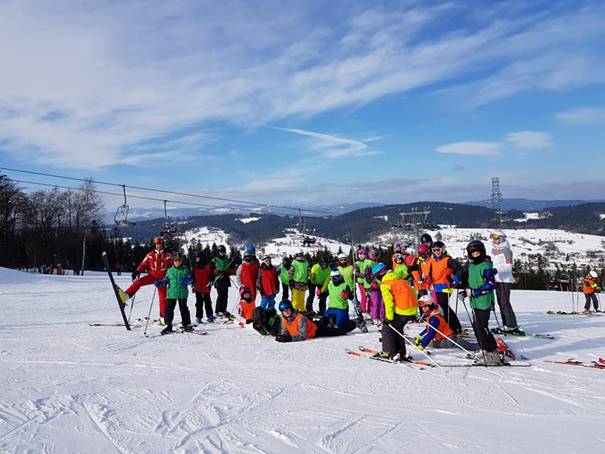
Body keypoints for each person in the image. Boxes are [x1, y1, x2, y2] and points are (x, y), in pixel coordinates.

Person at [461, 240, 503, 365]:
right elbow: (470, 282)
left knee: (482, 327)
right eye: (472, 254)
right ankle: (484, 348)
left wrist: (474, 293)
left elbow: (490, 284)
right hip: (475, 302)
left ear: (482, 252)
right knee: (476, 327)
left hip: (484, 301)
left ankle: (492, 353)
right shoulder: (471, 266)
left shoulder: (486, 266)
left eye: (477, 253)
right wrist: (465, 291)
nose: (475, 255)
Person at [120, 237, 173, 324]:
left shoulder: (168, 255)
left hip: (163, 279)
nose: (158, 246)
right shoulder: (150, 255)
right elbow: (143, 264)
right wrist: (137, 271)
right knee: (138, 282)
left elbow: (172, 266)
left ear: (163, 245)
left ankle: (163, 318)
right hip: (152, 276)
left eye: (160, 244)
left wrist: (171, 276)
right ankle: (126, 296)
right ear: (155, 245)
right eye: (157, 245)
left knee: (163, 298)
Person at [375, 262, 418, 361]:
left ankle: (389, 352)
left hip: (401, 310)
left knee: (387, 328)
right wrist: (414, 312)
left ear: (380, 274)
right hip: (411, 308)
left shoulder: (385, 284)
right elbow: (413, 292)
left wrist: (388, 317)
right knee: (397, 328)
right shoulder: (400, 280)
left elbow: (388, 302)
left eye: (376, 277)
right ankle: (400, 352)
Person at [421, 240, 462, 334]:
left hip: (445, 287)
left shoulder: (447, 260)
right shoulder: (431, 261)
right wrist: (423, 278)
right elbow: (427, 272)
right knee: (440, 308)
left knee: (443, 307)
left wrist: (456, 279)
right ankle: (447, 327)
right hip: (435, 287)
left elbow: (458, 268)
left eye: (438, 250)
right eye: (434, 250)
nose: (436, 252)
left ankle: (455, 328)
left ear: (443, 250)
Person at [490, 231, 523, 334]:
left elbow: (508, 267)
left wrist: (496, 270)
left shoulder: (507, 251)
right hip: (497, 279)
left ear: (502, 238)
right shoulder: (494, 250)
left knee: (505, 303)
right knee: (501, 303)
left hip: (505, 280)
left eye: (496, 238)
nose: (494, 240)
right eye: (492, 238)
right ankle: (506, 325)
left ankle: (512, 325)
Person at [275, 300, 355, 342]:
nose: (286, 312)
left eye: (287, 309)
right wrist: (282, 336)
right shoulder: (284, 319)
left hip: (315, 331)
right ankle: (327, 319)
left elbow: (302, 336)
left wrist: (289, 339)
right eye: (283, 310)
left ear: (291, 308)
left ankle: (352, 324)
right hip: (311, 325)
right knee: (320, 323)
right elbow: (284, 331)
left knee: (335, 332)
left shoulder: (300, 318)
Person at [156, 253, 193, 335]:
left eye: (179, 260)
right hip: (171, 293)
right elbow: (166, 280)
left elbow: (191, 280)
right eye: (175, 260)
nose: (177, 262)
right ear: (173, 261)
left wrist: (185, 281)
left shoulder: (185, 270)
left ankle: (186, 324)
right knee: (168, 310)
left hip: (182, 293)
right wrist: (160, 282)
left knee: (184, 309)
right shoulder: (169, 271)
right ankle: (168, 325)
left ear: (181, 261)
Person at [212, 245, 235, 317]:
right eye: (221, 252)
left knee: (225, 295)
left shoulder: (227, 259)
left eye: (223, 252)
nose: (222, 253)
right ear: (218, 252)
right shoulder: (215, 260)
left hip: (225, 279)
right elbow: (212, 269)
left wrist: (228, 272)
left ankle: (223, 310)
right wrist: (218, 272)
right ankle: (217, 310)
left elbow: (231, 269)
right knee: (220, 295)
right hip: (219, 279)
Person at [192, 251, 214, 324]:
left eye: (197, 258)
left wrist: (211, 281)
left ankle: (210, 316)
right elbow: (193, 276)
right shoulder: (195, 266)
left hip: (206, 287)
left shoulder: (208, 265)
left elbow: (212, 275)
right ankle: (198, 317)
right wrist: (192, 283)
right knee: (199, 303)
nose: (196, 259)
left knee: (207, 302)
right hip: (198, 287)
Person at [354, 247, 375, 314]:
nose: (361, 256)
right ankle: (363, 310)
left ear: (366, 255)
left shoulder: (368, 262)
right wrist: (362, 275)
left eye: (363, 254)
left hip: (368, 282)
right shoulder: (357, 263)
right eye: (359, 254)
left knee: (370, 296)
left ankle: (370, 310)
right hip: (361, 282)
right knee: (364, 296)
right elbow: (356, 272)